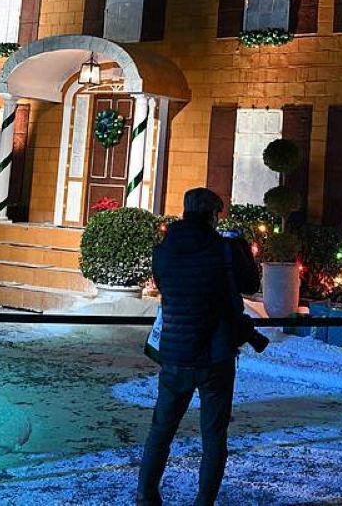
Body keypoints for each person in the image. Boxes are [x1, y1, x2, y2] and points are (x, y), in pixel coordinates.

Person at [136, 187, 261, 506]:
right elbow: (250, 284)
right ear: (212, 215)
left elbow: (165, 286)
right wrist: (241, 246)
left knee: (161, 431)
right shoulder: (223, 249)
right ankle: (204, 501)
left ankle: (146, 495)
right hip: (215, 356)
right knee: (214, 436)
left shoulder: (163, 250)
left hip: (175, 352)